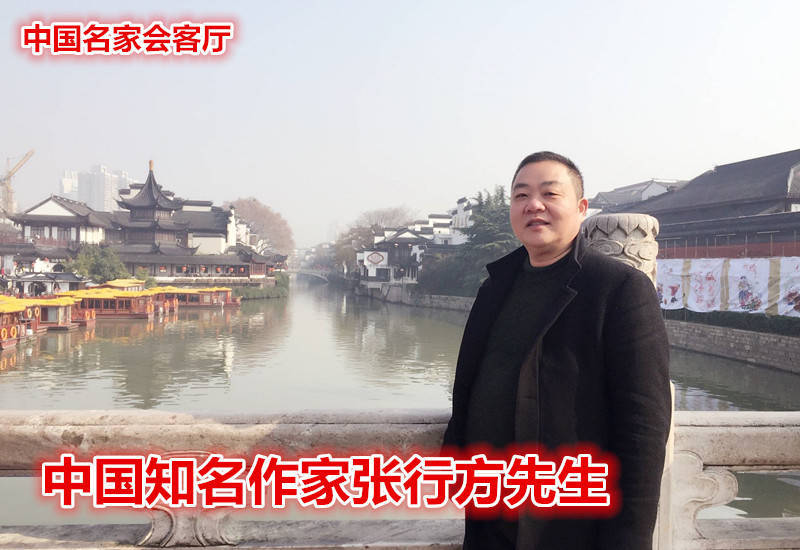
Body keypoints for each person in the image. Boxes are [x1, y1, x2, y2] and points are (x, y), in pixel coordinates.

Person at [442, 151, 671, 549]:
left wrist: (629, 538)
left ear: (581, 208)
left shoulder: (618, 288)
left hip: (569, 523)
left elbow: (643, 425)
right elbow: (471, 384)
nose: (533, 205)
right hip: (490, 517)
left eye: (550, 193)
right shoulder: (496, 286)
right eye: (521, 195)